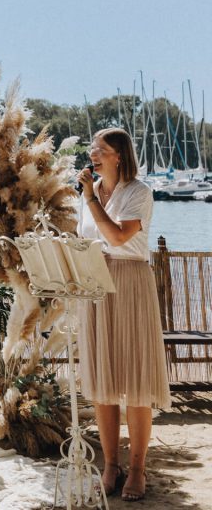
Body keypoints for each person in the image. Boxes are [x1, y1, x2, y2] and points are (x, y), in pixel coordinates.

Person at [76, 128, 171, 502]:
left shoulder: (139, 192)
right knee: (103, 382)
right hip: (96, 285)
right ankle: (110, 465)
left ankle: (137, 468)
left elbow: (117, 238)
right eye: (91, 150)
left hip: (130, 283)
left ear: (118, 155)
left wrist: (89, 200)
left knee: (135, 379)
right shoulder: (89, 195)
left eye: (99, 150)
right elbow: (87, 237)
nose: (92, 155)